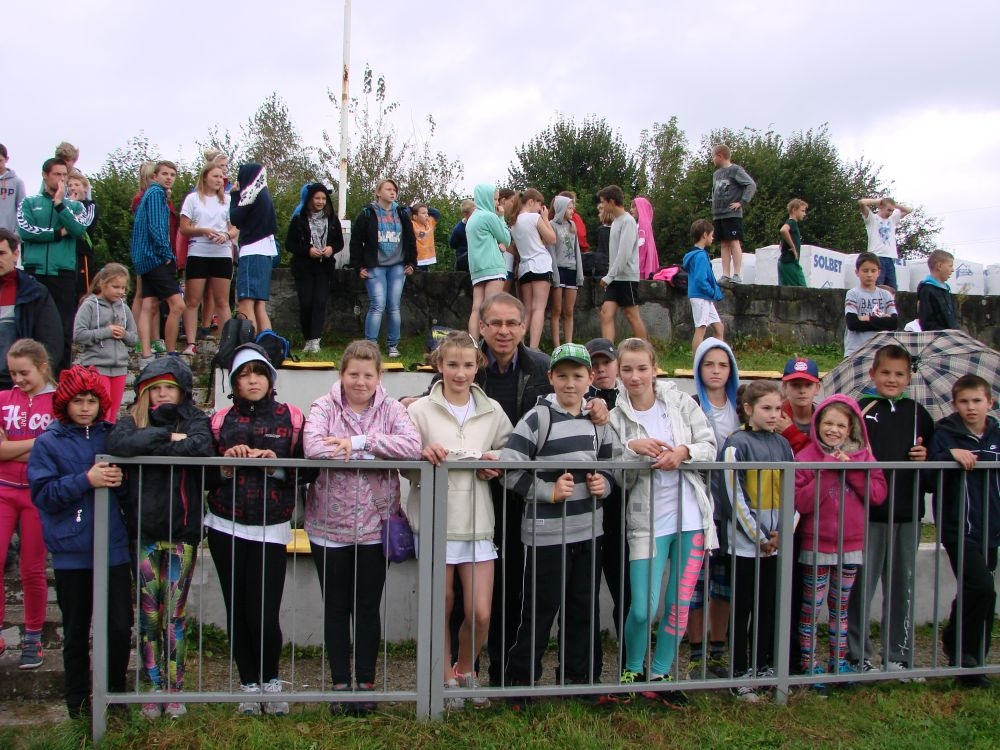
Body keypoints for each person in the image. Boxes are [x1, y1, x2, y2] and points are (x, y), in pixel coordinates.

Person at [303, 339, 421, 716]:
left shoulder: (391, 409)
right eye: (353, 374)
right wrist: (374, 453)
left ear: (379, 376)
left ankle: (366, 684)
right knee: (336, 607)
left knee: (367, 606)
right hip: (328, 526)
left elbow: (412, 446)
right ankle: (340, 683)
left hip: (375, 525)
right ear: (342, 374)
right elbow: (313, 447)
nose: (360, 381)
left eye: (368, 375)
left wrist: (359, 442)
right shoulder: (324, 406)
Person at [608, 337, 718, 704]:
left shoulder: (681, 402)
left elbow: (710, 446)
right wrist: (633, 450)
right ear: (619, 372)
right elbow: (617, 476)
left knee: (678, 605)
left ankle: (661, 673)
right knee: (642, 608)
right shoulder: (615, 416)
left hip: (691, 518)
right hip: (647, 522)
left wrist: (683, 452)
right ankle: (632, 669)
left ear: (655, 369)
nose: (635, 376)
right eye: (627, 369)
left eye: (642, 368)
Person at [502, 343, 613, 700]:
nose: (569, 383)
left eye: (577, 376)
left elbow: (612, 467)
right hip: (547, 535)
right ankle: (521, 684)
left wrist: (604, 484)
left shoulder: (598, 420)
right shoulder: (537, 418)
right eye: (562, 375)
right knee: (539, 610)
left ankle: (579, 680)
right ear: (550, 377)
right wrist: (547, 491)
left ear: (590, 378)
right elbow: (509, 469)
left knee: (583, 609)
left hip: (589, 532)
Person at [407, 332, 512, 709]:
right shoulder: (419, 410)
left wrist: (494, 463)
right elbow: (404, 461)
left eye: (468, 365)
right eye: (452, 364)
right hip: (435, 520)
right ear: (439, 365)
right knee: (442, 605)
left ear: (477, 366)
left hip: (478, 520)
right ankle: (444, 680)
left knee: (480, 612)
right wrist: (423, 457)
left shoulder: (492, 410)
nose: (460, 373)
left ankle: (466, 670)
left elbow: (510, 449)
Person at [106, 358, 213, 720]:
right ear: (144, 393)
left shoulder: (194, 419)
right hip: (144, 535)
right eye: (156, 388)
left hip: (182, 534)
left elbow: (200, 447)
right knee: (149, 616)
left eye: (169, 387)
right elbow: (118, 443)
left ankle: (175, 689)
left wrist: (148, 447)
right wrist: (166, 437)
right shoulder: (131, 420)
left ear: (182, 391)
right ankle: (152, 688)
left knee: (175, 616)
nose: (163, 394)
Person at [204, 344, 303, 716]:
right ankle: (248, 684)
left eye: (259, 373)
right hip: (224, 524)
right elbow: (203, 476)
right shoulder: (219, 420)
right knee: (237, 610)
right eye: (244, 375)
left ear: (270, 378)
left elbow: (308, 469)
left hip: (270, 525)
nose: (252, 381)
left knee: (264, 611)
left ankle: (270, 680)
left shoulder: (291, 417)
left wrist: (277, 464)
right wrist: (224, 467)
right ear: (234, 383)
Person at [27, 366, 131, 719]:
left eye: (91, 401)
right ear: (64, 403)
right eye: (77, 401)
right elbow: (44, 493)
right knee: (75, 632)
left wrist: (122, 480)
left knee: (119, 628)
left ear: (100, 403)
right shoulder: (48, 442)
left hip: (113, 548)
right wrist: (85, 480)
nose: (85, 408)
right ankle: (78, 706)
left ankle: (115, 699)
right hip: (72, 551)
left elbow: (130, 486)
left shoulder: (113, 436)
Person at [846, 344, 935, 677]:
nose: (892, 379)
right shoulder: (860, 410)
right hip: (867, 515)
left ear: (909, 377)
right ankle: (858, 655)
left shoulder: (919, 414)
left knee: (901, 589)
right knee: (860, 588)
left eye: (899, 374)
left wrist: (925, 458)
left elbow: (933, 468)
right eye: (885, 373)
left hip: (907, 514)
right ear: (873, 374)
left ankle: (898, 656)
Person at [794, 395, 887, 686]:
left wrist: (852, 470)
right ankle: (809, 663)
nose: (833, 430)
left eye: (841, 425)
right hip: (816, 544)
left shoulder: (864, 457)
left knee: (840, 607)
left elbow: (877, 494)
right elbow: (801, 501)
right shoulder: (806, 457)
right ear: (817, 423)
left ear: (851, 428)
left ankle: (839, 661)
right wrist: (829, 470)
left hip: (851, 544)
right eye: (828, 423)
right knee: (811, 607)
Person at [715, 380, 795, 701]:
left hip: (775, 545)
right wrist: (760, 536)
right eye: (766, 408)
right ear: (748, 409)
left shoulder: (784, 445)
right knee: (743, 608)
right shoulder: (736, 444)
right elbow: (733, 495)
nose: (774, 414)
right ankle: (738, 673)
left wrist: (784, 531)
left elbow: (792, 490)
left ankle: (762, 667)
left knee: (767, 608)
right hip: (745, 546)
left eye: (778, 408)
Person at [929, 374, 999, 688]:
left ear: (989, 402)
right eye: (964, 402)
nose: (971, 407)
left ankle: (972, 661)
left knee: (976, 591)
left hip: (991, 528)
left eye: (977, 401)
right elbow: (928, 476)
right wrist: (948, 456)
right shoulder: (945, 434)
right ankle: (960, 650)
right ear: (955, 404)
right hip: (959, 528)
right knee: (983, 588)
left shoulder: (997, 434)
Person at [0, 339, 55, 668]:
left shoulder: (59, 402)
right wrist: (38, 442)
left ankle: (33, 638)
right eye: (12, 373)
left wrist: (13, 447)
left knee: (32, 568)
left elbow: (54, 451)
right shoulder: (2, 399)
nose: (18, 379)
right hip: (3, 490)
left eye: (24, 373)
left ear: (42, 367)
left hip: (38, 494)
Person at [688, 337, 741, 679]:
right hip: (699, 506)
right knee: (696, 584)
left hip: (734, 510)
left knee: (724, 585)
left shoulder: (742, 407)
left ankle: (718, 650)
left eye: (723, 365)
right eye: (709, 364)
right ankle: (696, 654)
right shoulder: (691, 405)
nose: (716, 371)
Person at [17, 158, 89, 371]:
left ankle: (62, 377)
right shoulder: (29, 202)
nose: (61, 179)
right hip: (35, 271)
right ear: (45, 175)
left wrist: (59, 205)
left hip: (63, 272)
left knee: (63, 327)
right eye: (57, 174)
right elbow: (26, 231)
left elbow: (78, 230)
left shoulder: (75, 206)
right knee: (31, 326)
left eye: (64, 175)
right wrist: (58, 233)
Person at [584, 338, 631, 648]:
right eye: (595, 364)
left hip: (621, 511)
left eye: (606, 363)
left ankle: (630, 661)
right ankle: (585, 665)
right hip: (585, 508)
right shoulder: (578, 398)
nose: (601, 369)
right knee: (582, 593)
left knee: (625, 590)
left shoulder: (631, 398)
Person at [350, 178, 416, 358]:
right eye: (388, 189)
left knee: (394, 306)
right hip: (375, 266)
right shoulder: (367, 213)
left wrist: (412, 263)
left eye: (394, 190)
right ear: (378, 192)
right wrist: (358, 266)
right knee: (377, 305)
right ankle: (370, 346)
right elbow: (356, 241)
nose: (392, 192)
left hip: (397, 266)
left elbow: (410, 239)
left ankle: (393, 345)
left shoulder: (402, 213)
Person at [179, 163, 236, 356]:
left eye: (221, 177)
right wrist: (203, 230)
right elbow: (184, 228)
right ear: (205, 177)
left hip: (221, 253)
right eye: (215, 176)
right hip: (198, 252)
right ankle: (191, 343)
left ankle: (226, 345)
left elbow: (235, 228)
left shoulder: (228, 200)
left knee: (222, 301)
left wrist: (226, 235)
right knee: (192, 300)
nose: (219, 180)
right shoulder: (192, 199)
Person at [132, 160, 184, 362]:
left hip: (145, 258)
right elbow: (156, 227)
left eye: (172, 174)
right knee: (177, 305)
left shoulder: (150, 194)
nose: (169, 178)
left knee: (150, 304)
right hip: (155, 257)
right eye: (165, 174)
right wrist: (166, 254)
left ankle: (146, 352)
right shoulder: (156, 194)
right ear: (155, 176)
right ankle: (171, 351)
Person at [73, 263, 138, 422]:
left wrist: (124, 334)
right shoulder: (89, 305)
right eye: (116, 287)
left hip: (120, 368)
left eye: (123, 288)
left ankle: (110, 437)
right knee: (102, 412)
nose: (120, 291)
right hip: (96, 367)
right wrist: (106, 332)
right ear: (102, 283)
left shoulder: (124, 308)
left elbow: (134, 339)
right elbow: (78, 334)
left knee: (113, 414)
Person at [285, 183, 344, 353]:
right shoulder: (299, 219)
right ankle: (308, 338)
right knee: (306, 302)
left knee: (319, 302)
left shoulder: (332, 220)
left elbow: (339, 242)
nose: (320, 202)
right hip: (304, 267)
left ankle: (316, 339)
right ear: (310, 199)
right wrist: (307, 250)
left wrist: (331, 249)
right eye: (317, 198)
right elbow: (290, 244)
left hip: (324, 267)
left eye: (324, 199)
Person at [0, 229, 63, 388]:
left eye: (1, 253)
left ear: (16, 254)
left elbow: (51, 341)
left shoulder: (34, 293)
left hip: (18, 385)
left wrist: (36, 380)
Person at [229, 164, 279, 335]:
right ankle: (266, 345)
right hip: (265, 252)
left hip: (252, 252)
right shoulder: (264, 194)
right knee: (259, 305)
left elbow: (235, 217)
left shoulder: (252, 194)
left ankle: (249, 345)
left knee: (246, 303)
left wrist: (234, 195)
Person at [507, 189, 556, 349]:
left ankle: (518, 345)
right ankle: (533, 348)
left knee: (526, 310)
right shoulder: (534, 218)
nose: (540, 209)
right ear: (531, 201)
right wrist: (545, 218)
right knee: (538, 308)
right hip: (540, 264)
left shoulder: (514, 223)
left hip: (524, 267)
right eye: (539, 205)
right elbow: (552, 239)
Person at [598, 185, 647, 343]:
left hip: (626, 278)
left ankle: (646, 351)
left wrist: (609, 276)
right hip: (615, 278)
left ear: (612, 202)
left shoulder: (628, 221)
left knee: (632, 315)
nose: (602, 206)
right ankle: (608, 351)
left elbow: (624, 254)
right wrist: (611, 276)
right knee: (606, 313)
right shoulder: (616, 222)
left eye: (603, 202)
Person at [464, 185, 510, 336]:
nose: (497, 203)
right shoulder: (489, 216)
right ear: (486, 198)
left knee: (477, 308)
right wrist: (501, 218)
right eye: (495, 199)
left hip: (477, 269)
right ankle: (488, 344)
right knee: (491, 308)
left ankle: (473, 343)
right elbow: (506, 239)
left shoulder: (472, 219)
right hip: (493, 267)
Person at [711, 145, 757, 283]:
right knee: (723, 243)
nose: (713, 160)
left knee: (734, 242)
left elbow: (751, 185)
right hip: (718, 214)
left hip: (732, 213)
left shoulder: (735, 170)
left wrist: (742, 202)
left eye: (713, 157)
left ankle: (737, 274)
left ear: (720, 156)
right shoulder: (716, 174)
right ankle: (726, 274)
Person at [844, 252, 898, 357]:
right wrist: (882, 320)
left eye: (873, 271)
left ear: (879, 272)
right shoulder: (852, 294)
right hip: (856, 350)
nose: (869, 274)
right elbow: (852, 323)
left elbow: (893, 323)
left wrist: (866, 318)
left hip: (880, 350)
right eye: (865, 270)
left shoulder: (886, 295)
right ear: (857, 272)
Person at [548, 194, 583, 348]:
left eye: (572, 208)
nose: (572, 210)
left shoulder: (572, 225)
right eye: (569, 208)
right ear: (561, 208)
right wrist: (555, 274)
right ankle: (557, 346)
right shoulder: (551, 225)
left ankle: (568, 344)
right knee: (556, 310)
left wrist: (579, 273)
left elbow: (577, 251)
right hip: (558, 270)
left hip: (572, 270)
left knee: (569, 310)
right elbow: (551, 251)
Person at [683, 219, 724, 350]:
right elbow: (701, 280)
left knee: (719, 328)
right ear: (705, 235)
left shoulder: (697, 254)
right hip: (701, 296)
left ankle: (718, 356)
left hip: (703, 296)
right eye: (711, 235)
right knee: (700, 329)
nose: (713, 237)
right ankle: (697, 359)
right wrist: (712, 292)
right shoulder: (700, 256)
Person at [858, 197, 912, 292]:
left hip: (890, 258)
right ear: (881, 207)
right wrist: (877, 201)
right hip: (876, 257)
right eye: (888, 210)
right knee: (878, 287)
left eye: (892, 211)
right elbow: (862, 203)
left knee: (892, 289)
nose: (890, 213)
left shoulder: (892, 219)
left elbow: (909, 210)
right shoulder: (872, 218)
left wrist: (894, 205)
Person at [777, 357, 821, 453]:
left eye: (808, 385)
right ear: (784, 387)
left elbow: (822, 455)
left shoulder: (825, 417)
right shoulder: (775, 417)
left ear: (817, 388)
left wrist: (790, 433)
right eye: (795, 385)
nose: (802, 391)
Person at [66, 170, 98, 303]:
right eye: (70, 185)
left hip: (82, 253)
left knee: (83, 292)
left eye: (76, 185)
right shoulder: (63, 205)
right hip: (66, 253)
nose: (73, 188)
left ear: (85, 188)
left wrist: (73, 207)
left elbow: (85, 224)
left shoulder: (90, 206)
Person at [917, 249, 958, 331]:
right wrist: (946, 333)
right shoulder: (927, 289)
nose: (953, 270)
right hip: (938, 337)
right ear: (939, 266)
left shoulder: (946, 289)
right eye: (950, 266)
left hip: (950, 336)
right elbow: (927, 322)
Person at [778, 199, 808, 287]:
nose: (804, 214)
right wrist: (793, 247)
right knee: (803, 290)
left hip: (784, 262)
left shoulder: (790, 223)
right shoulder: (792, 222)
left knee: (786, 291)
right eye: (802, 211)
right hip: (790, 263)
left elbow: (783, 237)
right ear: (794, 210)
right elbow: (783, 230)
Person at [0, 144, 27, 234]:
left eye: (0, 160)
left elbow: (22, 210)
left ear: (7, 159)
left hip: (9, 235)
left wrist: (17, 233)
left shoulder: (17, 182)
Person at [631, 196, 659, 281]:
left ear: (641, 208)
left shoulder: (641, 225)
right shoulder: (647, 225)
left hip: (639, 270)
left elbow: (641, 249)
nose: (631, 210)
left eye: (633, 207)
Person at [412, 203, 441, 271]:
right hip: (418, 260)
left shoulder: (430, 222)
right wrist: (411, 208)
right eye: (423, 213)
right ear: (415, 217)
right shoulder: (412, 224)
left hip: (429, 259)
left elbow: (436, 213)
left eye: (427, 213)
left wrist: (424, 208)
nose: (427, 215)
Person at [449, 198, 475, 273]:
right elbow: (452, 244)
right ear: (465, 214)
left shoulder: (477, 224)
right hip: (463, 259)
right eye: (473, 213)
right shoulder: (458, 229)